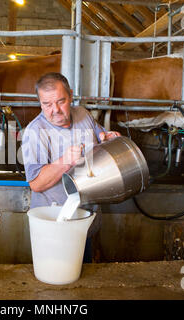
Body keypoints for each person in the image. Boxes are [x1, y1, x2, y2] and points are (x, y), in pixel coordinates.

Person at [21, 72, 120, 262]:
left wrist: (106, 138)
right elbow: (36, 184)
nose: (54, 110)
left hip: (86, 219)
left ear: (71, 96)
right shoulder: (35, 132)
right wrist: (65, 161)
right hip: (56, 224)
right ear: (40, 102)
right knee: (57, 279)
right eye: (46, 104)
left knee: (84, 277)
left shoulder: (83, 114)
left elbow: (100, 134)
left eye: (60, 101)